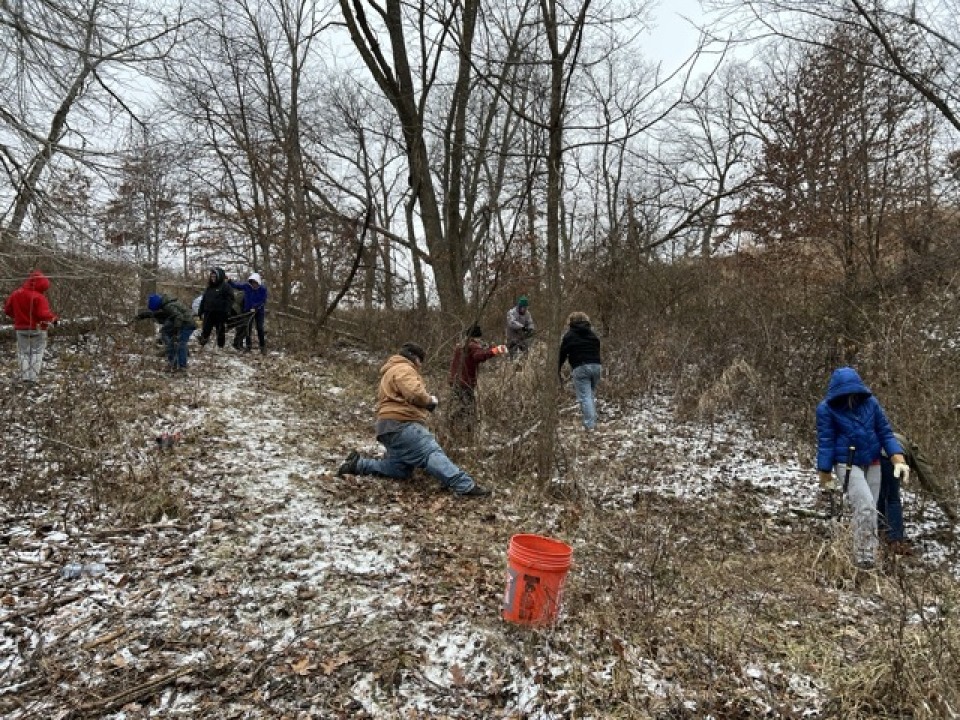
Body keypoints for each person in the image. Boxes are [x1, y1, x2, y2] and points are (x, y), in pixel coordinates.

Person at [337, 342, 491, 497]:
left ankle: (358, 464)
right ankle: (464, 486)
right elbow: (415, 393)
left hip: (386, 426)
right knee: (430, 452)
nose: (420, 366)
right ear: (414, 358)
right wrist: (429, 401)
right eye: (420, 361)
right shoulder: (404, 368)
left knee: (400, 469)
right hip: (402, 423)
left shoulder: (390, 370)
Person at [816, 366, 909, 570]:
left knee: (871, 509)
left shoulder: (870, 403)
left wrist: (898, 459)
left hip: (873, 461)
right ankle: (864, 557)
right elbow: (826, 440)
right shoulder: (826, 409)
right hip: (846, 463)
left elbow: (884, 432)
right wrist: (824, 471)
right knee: (865, 505)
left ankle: (869, 551)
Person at [448, 324, 507, 434]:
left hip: (454, 381)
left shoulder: (460, 346)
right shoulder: (472, 346)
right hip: (465, 383)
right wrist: (496, 350)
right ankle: (465, 429)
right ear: (476, 337)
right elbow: (478, 356)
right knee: (469, 408)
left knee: (462, 405)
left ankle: (456, 425)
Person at [4, 270, 58, 384]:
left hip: (20, 329)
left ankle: (25, 377)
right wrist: (53, 319)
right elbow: (42, 314)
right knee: (37, 353)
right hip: (38, 328)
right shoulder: (39, 297)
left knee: (23, 353)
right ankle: (33, 378)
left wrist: (18, 317)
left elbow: (7, 310)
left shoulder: (16, 294)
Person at [558, 311, 603, 431]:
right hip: (596, 366)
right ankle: (592, 419)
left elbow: (562, 354)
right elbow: (597, 347)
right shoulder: (592, 334)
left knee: (585, 397)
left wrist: (557, 368)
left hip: (581, 367)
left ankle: (590, 425)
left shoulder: (569, 336)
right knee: (590, 394)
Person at [135, 293, 197, 372]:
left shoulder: (169, 306)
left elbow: (179, 316)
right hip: (183, 324)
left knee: (181, 343)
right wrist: (145, 315)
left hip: (187, 324)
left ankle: (182, 367)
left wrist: (176, 329)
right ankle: (173, 365)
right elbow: (161, 315)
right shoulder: (167, 305)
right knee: (171, 345)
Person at [228, 272, 268, 353]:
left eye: (255, 283)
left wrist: (255, 307)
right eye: (252, 282)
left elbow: (263, 300)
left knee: (259, 328)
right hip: (248, 311)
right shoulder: (247, 287)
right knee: (247, 328)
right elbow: (236, 286)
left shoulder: (263, 289)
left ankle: (262, 346)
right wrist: (229, 281)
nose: (254, 285)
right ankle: (248, 346)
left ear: (258, 282)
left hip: (258, 312)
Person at [197, 267, 235, 348]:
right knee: (206, 329)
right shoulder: (209, 287)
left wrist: (227, 311)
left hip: (220, 313)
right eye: (212, 277)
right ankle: (202, 344)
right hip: (208, 312)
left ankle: (220, 346)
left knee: (220, 330)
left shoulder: (226, 287)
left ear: (219, 277)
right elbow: (204, 299)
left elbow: (230, 299)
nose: (213, 278)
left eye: (215, 277)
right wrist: (200, 311)